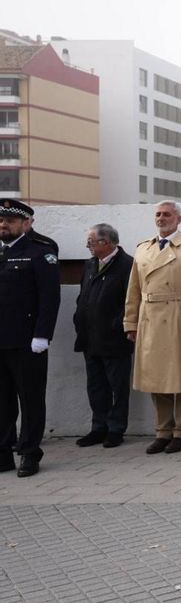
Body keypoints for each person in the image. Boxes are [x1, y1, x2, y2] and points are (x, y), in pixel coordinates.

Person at [124, 201, 181, 455]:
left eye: (167, 214)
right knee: (155, 378)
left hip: (178, 316)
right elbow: (133, 289)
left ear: (178, 219)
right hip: (149, 317)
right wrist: (130, 322)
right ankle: (162, 431)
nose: (162, 218)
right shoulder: (143, 249)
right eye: (158, 214)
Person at [0, 199, 60, 477]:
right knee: (2, 401)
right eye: (1, 220)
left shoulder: (40, 253)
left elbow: (50, 299)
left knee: (31, 400)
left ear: (25, 224)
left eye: (10, 221)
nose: (3, 225)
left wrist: (42, 335)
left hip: (27, 342)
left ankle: (29, 453)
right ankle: (3, 454)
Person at [73, 223, 135, 448]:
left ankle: (116, 429)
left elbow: (131, 301)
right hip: (90, 336)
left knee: (117, 386)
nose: (88, 246)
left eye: (91, 242)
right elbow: (84, 295)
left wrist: (118, 324)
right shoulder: (90, 264)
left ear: (107, 243)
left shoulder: (127, 265)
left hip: (114, 337)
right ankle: (98, 427)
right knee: (96, 386)